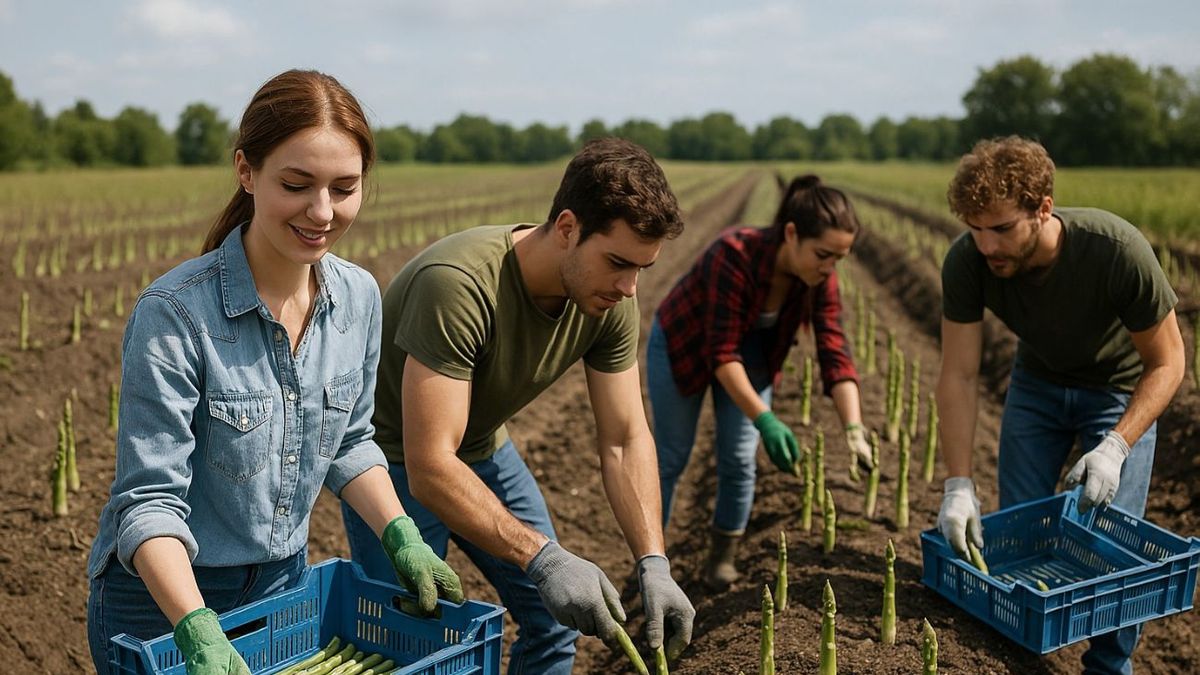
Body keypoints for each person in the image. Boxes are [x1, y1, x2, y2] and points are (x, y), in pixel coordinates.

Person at [86, 70, 461, 675]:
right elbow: (148, 504)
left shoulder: (361, 297)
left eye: (345, 188)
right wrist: (197, 630)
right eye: (297, 184)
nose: (322, 211)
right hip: (165, 605)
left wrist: (402, 536)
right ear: (246, 171)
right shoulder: (177, 313)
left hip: (283, 585)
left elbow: (352, 442)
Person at [340, 137, 696, 674]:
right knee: (413, 641)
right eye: (618, 263)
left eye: (641, 269)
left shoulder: (609, 300)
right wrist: (542, 556)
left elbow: (624, 438)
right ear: (569, 228)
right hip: (390, 464)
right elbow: (430, 466)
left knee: (557, 621)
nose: (629, 287)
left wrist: (653, 561)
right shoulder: (458, 287)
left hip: (482, 447)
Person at [935, 136, 1184, 675]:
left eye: (1001, 228)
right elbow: (957, 373)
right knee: (1021, 527)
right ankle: (1018, 657)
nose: (986, 246)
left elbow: (1168, 363)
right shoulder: (968, 261)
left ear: (1043, 209)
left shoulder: (1115, 250)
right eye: (975, 229)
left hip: (1117, 390)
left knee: (1112, 535)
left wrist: (1117, 444)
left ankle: (1108, 667)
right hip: (1037, 386)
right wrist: (958, 485)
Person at [648, 175, 869, 587]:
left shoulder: (821, 278)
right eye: (823, 254)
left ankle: (721, 557)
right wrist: (765, 418)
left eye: (838, 259)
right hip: (685, 344)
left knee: (739, 459)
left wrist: (853, 428)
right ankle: (648, 561)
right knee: (671, 458)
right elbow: (720, 352)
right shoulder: (734, 254)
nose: (829, 267)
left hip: (750, 356)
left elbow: (834, 351)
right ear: (791, 234)